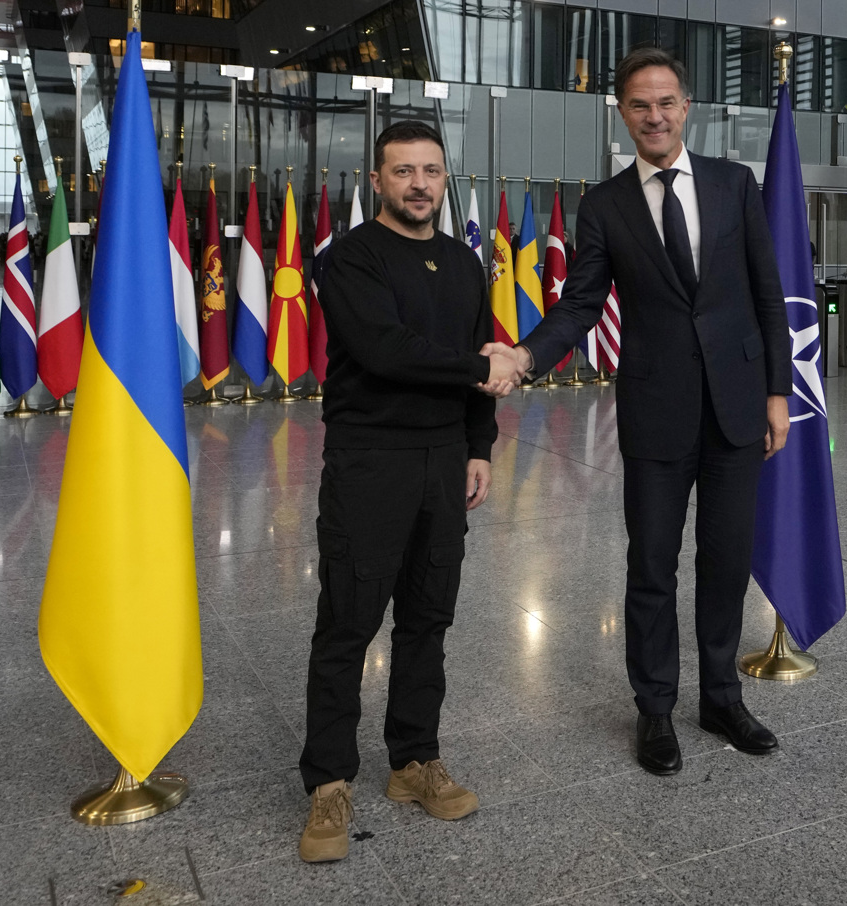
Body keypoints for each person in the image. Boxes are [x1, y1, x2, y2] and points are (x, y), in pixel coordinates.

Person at [484, 47, 793, 776]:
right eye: (639, 105)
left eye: (665, 103)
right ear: (622, 114)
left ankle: (721, 698)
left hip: (737, 408)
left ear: (686, 107)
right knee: (652, 564)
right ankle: (655, 707)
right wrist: (525, 355)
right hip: (656, 409)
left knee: (726, 561)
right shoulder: (605, 205)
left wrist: (777, 393)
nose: (654, 116)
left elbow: (767, 293)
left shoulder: (734, 184)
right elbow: (581, 304)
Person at [297, 120, 519, 863]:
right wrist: (480, 369)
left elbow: (481, 353)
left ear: (443, 178)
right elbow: (385, 350)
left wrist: (479, 446)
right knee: (348, 623)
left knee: (428, 618)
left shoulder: (462, 262)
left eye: (430, 171)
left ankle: (414, 761)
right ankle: (329, 782)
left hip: (444, 460)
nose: (419, 184)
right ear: (377, 181)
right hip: (370, 461)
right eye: (403, 172)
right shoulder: (350, 258)